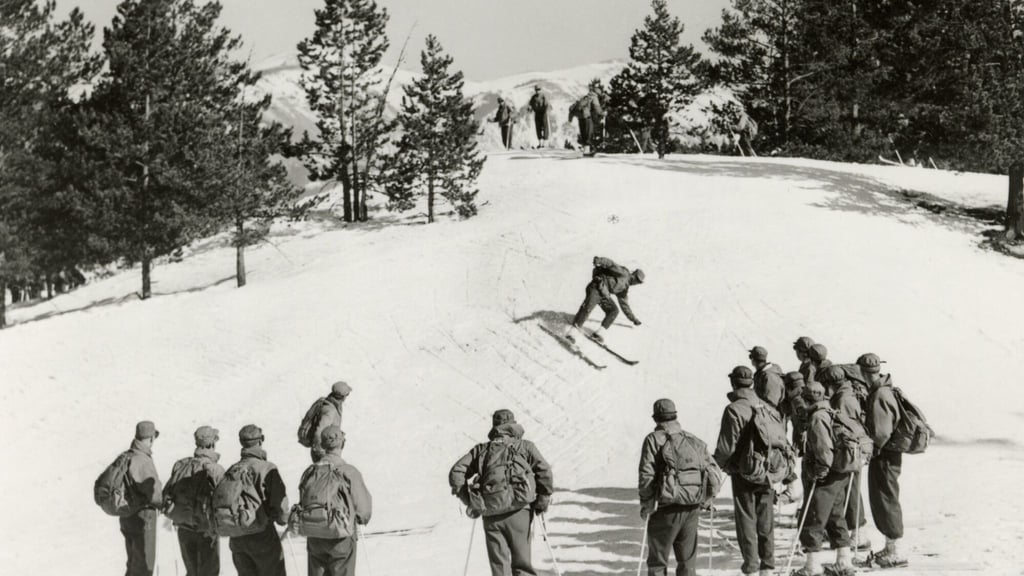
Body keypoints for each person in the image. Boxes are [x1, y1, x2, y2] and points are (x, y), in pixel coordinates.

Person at [449, 409, 554, 576]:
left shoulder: (481, 450)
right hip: (520, 511)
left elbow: (456, 472)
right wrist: (543, 498)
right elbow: (544, 471)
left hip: (491, 513)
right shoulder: (525, 446)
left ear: (494, 427)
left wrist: (469, 500)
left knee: (499, 567)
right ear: (513, 425)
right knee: (522, 565)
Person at [638, 399, 722, 576]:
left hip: (666, 508)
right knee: (687, 561)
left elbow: (647, 475)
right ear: (675, 416)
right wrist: (706, 499)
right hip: (692, 506)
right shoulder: (692, 440)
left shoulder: (654, 440)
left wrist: (647, 504)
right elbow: (713, 473)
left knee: (658, 561)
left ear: (656, 419)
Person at [714, 367, 776, 576]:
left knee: (746, 520)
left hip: (744, 471)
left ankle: (751, 567)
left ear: (733, 384)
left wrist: (721, 465)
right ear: (751, 383)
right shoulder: (766, 406)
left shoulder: (734, 409)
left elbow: (725, 447)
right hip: (768, 470)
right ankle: (767, 566)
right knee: (766, 519)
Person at [795, 381, 855, 576]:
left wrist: (819, 473)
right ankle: (844, 562)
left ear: (806, 399)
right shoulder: (830, 411)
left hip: (826, 475)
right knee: (835, 515)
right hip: (840, 474)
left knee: (814, 516)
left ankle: (812, 566)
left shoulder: (817, 418)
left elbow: (824, 451)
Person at [296, 425, 373, 576]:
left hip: (315, 535)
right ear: (342, 443)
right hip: (341, 536)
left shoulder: (310, 472)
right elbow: (364, 511)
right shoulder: (349, 471)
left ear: (323, 445)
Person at [860, 353, 909, 568]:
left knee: (885, 499)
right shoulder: (886, 389)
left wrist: (871, 449)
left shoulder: (879, 393)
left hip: (884, 455)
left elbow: (881, 432)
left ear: (863, 372)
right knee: (886, 497)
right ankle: (891, 546)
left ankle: (895, 550)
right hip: (889, 454)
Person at [224, 425, 290, 576]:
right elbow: (280, 506)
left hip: (237, 537)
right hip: (262, 535)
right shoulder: (267, 468)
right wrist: (283, 520)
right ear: (261, 441)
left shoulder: (232, 469)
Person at [164, 426, 225, 576]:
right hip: (206, 532)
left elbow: (166, 494)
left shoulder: (181, 465)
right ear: (212, 444)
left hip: (184, 530)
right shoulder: (215, 470)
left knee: (192, 572)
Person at [821, 366, 869, 551]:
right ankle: (856, 532)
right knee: (851, 490)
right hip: (851, 452)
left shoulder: (843, 399)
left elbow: (847, 429)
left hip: (849, 453)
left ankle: (859, 533)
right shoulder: (846, 394)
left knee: (852, 491)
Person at [565, 256, 644, 344]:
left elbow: (624, 305)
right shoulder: (624, 273)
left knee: (613, 310)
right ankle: (572, 333)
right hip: (596, 287)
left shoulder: (624, 289)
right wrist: (599, 260)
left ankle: (598, 334)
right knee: (588, 307)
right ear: (634, 275)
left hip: (603, 295)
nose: (637, 283)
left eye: (639, 282)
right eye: (637, 280)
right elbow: (611, 264)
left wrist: (633, 319)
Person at [121, 421, 165, 576]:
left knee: (133, 563)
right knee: (144, 566)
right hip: (143, 517)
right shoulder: (142, 459)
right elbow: (153, 494)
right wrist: (163, 503)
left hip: (127, 515)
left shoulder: (128, 455)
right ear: (151, 438)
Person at [300, 380, 352, 462]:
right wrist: (322, 454)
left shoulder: (329, 402)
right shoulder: (330, 411)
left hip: (327, 450)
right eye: (347, 394)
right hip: (325, 452)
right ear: (342, 397)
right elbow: (318, 432)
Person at [570, 85, 604, 156]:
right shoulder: (594, 97)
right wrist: (603, 113)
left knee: (583, 133)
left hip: (580, 116)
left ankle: (585, 150)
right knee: (589, 132)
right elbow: (597, 108)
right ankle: (587, 151)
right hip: (586, 116)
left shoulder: (586, 96)